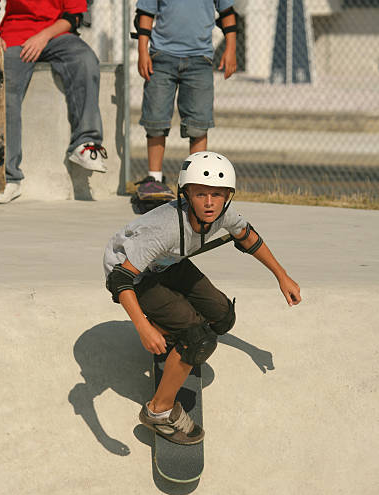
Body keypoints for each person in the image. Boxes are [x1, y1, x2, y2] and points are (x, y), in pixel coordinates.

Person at [104, 152, 301, 445]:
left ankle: (173, 334)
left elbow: (247, 236)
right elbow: (119, 278)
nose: (209, 203)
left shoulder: (223, 213)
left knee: (222, 317)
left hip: (168, 262)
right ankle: (159, 412)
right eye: (200, 194)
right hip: (135, 275)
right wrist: (143, 328)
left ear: (227, 197)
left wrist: (281, 275)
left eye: (217, 195)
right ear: (186, 195)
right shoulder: (164, 228)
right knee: (199, 340)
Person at [0, 0, 107, 204]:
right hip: (15, 35)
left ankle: (85, 143)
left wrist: (43, 36)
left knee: (85, 61)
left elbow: (73, 17)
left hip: (57, 35)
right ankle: (7, 178)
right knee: (4, 82)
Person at [132, 0, 237, 204]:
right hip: (161, 58)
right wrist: (142, 51)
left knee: (198, 123)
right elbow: (145, 13)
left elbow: (228, 12)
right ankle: (154, 178)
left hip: (200, 60)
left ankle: (198, 182)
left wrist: (231, 48)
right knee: (156, 119)